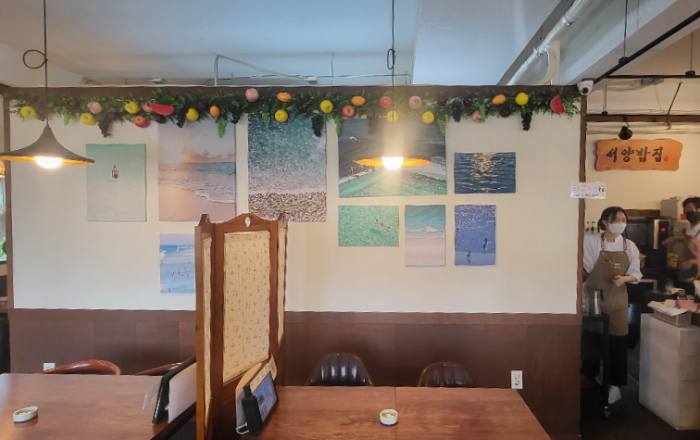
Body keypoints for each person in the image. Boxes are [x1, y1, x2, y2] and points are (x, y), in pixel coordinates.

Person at [582, 207, 642, 405]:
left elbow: (636, 274)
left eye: (624, 219)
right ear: (605, 222)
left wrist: (624, 278)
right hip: (593, 300)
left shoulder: (629, 246)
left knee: (617, 345)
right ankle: (590, 378)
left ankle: (616, 387)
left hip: (617, 302)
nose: (621, 223)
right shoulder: (591, 241)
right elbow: (582, 266)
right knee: (591, 341)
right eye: (617, 219)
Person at [662, 197, 700, 281]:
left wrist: (693, 262)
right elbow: (691, 242)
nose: (692, 212)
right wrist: (675, 239)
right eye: (688, 209)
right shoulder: (690, 227)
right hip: (689, 273)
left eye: (696, 209)